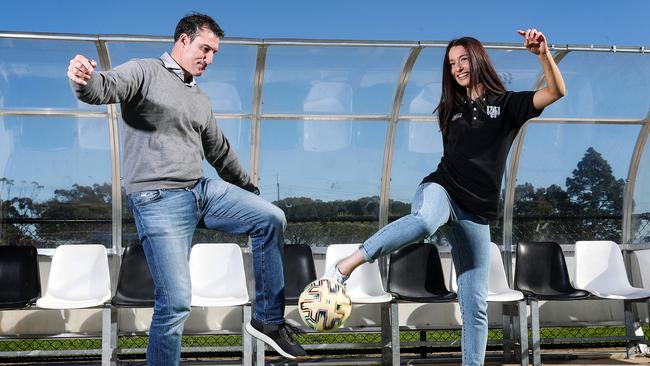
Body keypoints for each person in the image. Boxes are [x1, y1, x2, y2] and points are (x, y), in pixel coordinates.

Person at [67, 13, 305, 365]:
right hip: (158, 199)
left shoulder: (200, 99)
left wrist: (247, 189)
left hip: (202, 191)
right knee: (176, 301)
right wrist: (83, 80)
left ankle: (267, 321)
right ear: (182, 40)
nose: (209, 59)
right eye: (205, 49)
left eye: (214, 53)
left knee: (270, 217)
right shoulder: (143, 71)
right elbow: (104, 87)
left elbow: (219, 150)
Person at [322, 29, 566, 365]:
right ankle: (346, 265)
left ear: (478, 59)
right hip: (441, 189)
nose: (457, 68)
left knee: (475, 306)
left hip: (475, 213)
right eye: (452, 64)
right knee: (424, 222)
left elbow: (556, 91)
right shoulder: (449, 109)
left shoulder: (508, 105)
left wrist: (542, 54)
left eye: (463, 59)